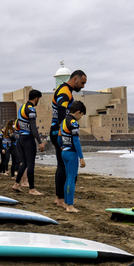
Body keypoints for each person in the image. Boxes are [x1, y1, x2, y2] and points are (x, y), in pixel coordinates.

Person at [49, 70, 87, 207]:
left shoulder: (65, 91)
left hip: (57, 132)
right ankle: (61, 199)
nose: (83, 86)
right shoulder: (64, 91)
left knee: (62, 165)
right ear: (75, 79)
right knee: (65, 167)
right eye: (82, 83)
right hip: (59, 132)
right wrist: (65, 131)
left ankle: (59, 198)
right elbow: (61, 112)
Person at [12, 89, 45, 195]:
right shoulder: (31, 109)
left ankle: (16, 184)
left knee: (25, 163)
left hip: (21, 138)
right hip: (28, 139)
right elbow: (33, 127)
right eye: (39, 99)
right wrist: (39, 142)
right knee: (31, 164)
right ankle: (32, 189)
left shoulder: (21, 108)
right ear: (36, 98)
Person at [60, 101, 87, 212]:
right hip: (72, 154)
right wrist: (81, 157)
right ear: (77, 112)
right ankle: (70, 206)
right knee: (71, 178)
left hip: (64, 152)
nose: (81, 117)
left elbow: (59, 138)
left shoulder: (63, 122)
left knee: (68, 178)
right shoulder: (73, 123)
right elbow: (76, 141)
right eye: (81, 115)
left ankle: (66, 203)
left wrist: (62, 146)